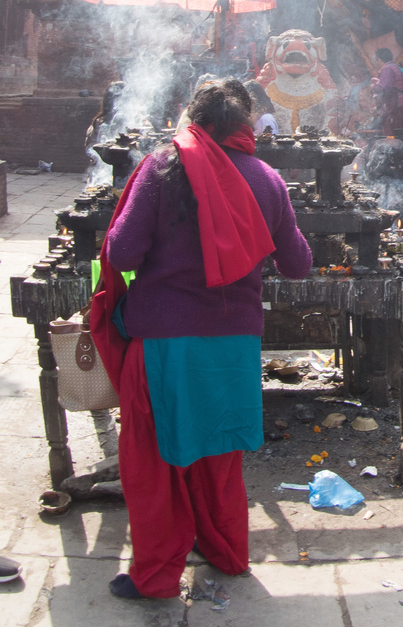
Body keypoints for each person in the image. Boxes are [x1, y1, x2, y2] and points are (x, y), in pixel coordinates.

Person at [90, 80, 312, 600]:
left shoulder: (163, 167)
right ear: (247, 126)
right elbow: (298, 265)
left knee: (156, 459)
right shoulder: (268, 178)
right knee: (220, 455)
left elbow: (122, 253)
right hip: (232, 342)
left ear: (193, 120)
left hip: (165, 339)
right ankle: (228, 552)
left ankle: (157, 575)